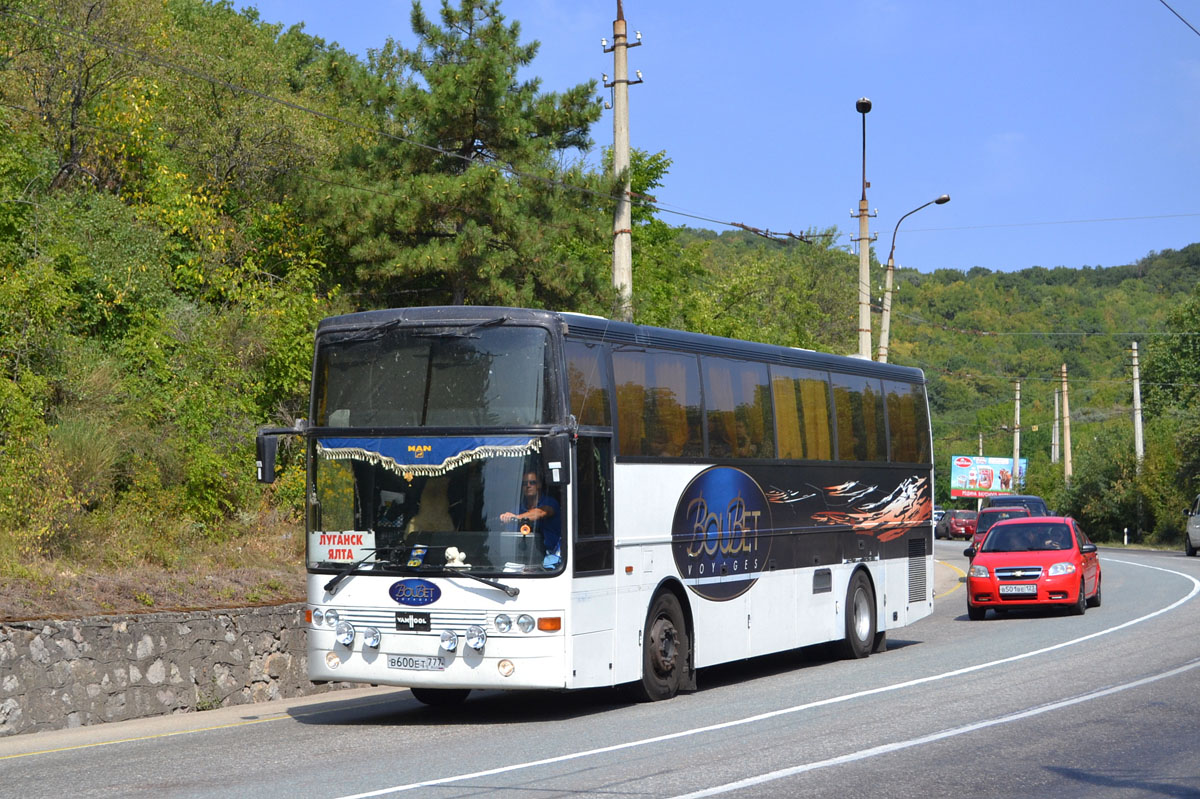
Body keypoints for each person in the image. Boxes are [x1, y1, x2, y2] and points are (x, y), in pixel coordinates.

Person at [500, 470, 561, 566]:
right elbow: (509, 536)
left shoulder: (550, 502)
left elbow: (541, 512)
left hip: (552, 561)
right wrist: (505, 520)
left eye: (532, 482)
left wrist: (517, 517)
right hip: (522, 559)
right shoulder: (517, 509)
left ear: (539, 485)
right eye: (524, 483)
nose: (528, 486)